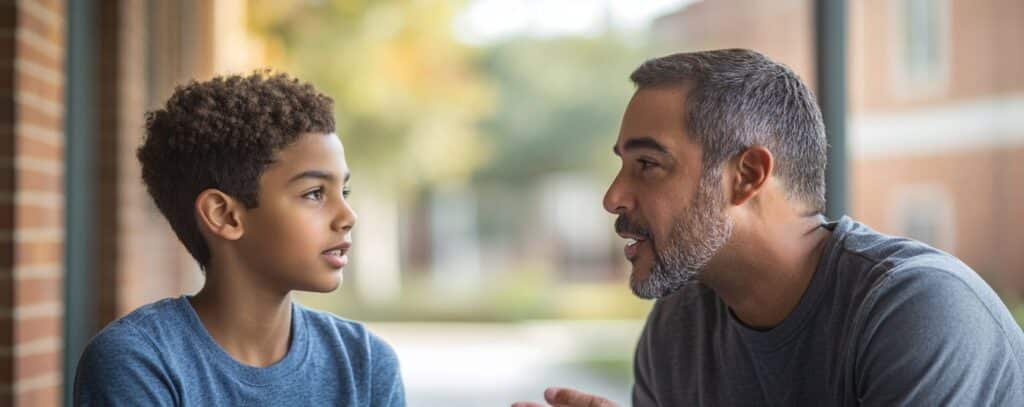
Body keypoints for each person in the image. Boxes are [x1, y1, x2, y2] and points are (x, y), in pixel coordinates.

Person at [513, 49, 1024, 407]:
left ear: (748, 176)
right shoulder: (680, 327)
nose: (613, 197)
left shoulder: (918, 308)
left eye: (648, 164)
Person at [74, 72, 405, 406]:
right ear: (224, 215)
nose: (348, 216)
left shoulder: (366, 364)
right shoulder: (138, 362)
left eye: (343, 190)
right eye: (315, 193)